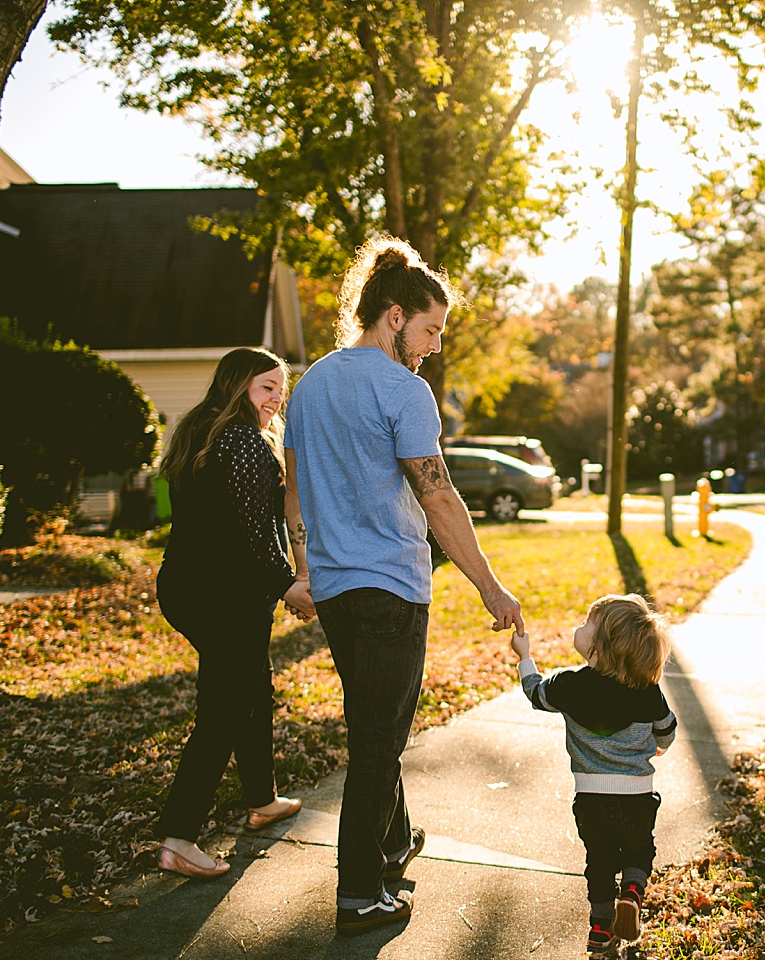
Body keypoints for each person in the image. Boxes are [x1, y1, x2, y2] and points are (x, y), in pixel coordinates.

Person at [283, 238, 524, 934]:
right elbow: (440, 500)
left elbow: (294, 495)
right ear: (394, 317)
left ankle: (394, 841)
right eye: (430, 329)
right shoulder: (402, 390)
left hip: (332, 590)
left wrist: (303, 574)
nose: (434, 345)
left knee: (371, 726)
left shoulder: (312, 384)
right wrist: (490, 586)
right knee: (377, 744)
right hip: (390, 589)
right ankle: (360, 894)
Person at [153, 347, 316, 879]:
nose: (277, 397)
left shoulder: (199, 430)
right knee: (224, 707)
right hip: (224, 595)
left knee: (252, 687)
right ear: (238, 385)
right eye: (266, 386)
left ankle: (261, 798)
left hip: (188, 586)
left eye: (281, 388)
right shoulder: (244, 440)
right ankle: (178, 837)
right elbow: (253, 533)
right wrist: (289, 584)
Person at [510, 594, 678, 956]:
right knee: (639, 849)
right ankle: (632, 891)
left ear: (601, 647)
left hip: (590, 798)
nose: (579, 627)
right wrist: (660, 743)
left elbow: (534, 694)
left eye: (588, 625)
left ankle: (600, 930)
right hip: (636, 794)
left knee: (598, 862)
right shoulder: (646, 691)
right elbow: (667, 729)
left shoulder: (567, 686)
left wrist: (524, 657)